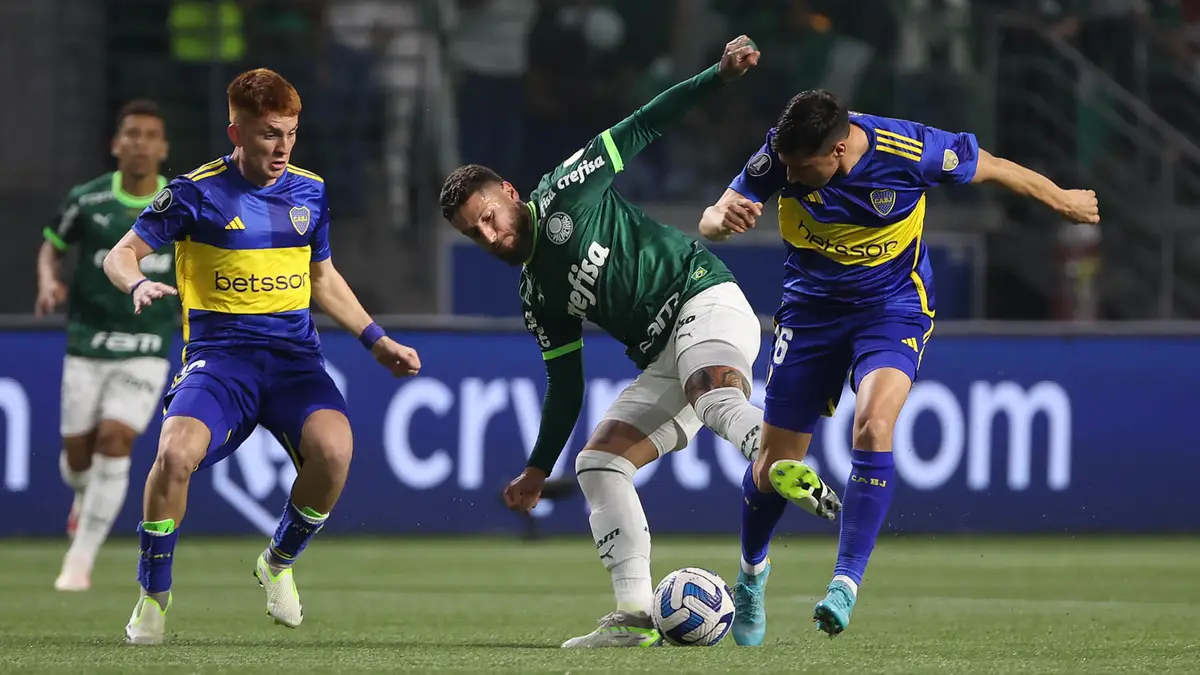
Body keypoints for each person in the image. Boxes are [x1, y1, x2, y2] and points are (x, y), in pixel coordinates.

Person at [439, 36, 842, 649]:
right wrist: (536, 468)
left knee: (710, 392)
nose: (489, 235)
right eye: (474, 233)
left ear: (511, 194)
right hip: (662, 356)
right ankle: (633, 616)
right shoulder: (536, 295)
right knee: (598, 466)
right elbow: (566, 384)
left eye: (489, 216)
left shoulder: (563, 192)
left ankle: (772, 454)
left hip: (704, 297)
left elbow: (643, 124)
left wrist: (717, 75)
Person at [700, 90, 1100, 641]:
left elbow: (995, 166)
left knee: (875, 424)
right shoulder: (780, 154)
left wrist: (1061, 199)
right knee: (771, 468)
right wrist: (723, 222)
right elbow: (711, 217)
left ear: (839, 150)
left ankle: (845, 583)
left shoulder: (910, 149)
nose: (787, 176)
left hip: (892, 306)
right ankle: (750, 575)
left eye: (801, 168)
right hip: (811, 312)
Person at [102, 68, 422, 646]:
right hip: (221, 361)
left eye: (291, 133)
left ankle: (276, 561)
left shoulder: (310, 190)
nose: (282, 148)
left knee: (335, 450)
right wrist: (135, 284)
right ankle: (154, 595)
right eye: (269, 134)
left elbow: (321, 277)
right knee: (174, 455)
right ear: (237, 132)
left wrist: (378, 340)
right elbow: (121, 255)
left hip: (293, 361)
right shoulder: (194, 193)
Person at [37, 100, 176, 592]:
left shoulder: (181, 203)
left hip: (147, 343)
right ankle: (83, 499)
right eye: (131, 134)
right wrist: (48, 281)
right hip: (86, 345)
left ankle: (80, 560)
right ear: (116, 144)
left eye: (149, 135)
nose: (139, 142)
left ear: (163, 148)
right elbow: (53, 242)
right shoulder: (89, 200)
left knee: (116, 439)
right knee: (79, 459)